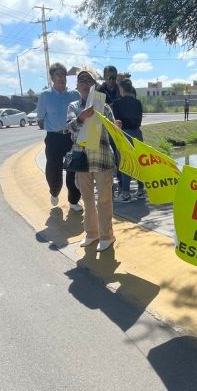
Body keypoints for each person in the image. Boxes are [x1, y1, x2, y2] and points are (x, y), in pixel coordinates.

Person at [67, 68, 117, 251]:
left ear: (94, 84)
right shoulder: (73, 106)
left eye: (89, 81)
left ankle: (107, 236)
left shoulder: (103, 106)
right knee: (87, 199)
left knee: (104, 199)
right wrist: (81, 117)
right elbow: (70, 128)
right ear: (77, 85)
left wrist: (116, 126)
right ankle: (91, 233)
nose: (85, 84)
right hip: (82, 159)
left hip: (103, 158)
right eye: (81, 81)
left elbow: (114, 131)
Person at [36, 62, 83, 211]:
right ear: (52, 78)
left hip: (72, 136)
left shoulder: (74, 94)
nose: (61, 78)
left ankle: (73, 200)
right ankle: (54, 192)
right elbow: (40, 119)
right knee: (53, 169)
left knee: (73, 169)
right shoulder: (45, 95)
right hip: (54, 138)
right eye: (58, 75)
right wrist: (53, 127)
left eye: (63, 75)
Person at [111, 79, 146, 202]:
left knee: (126, 163)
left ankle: (126, 193)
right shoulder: (138, 103)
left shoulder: (117, 104)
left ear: (121, 89)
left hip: (124, 134)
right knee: (138, 162)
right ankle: (141, 190)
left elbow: (115, 121)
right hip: (138, 133)